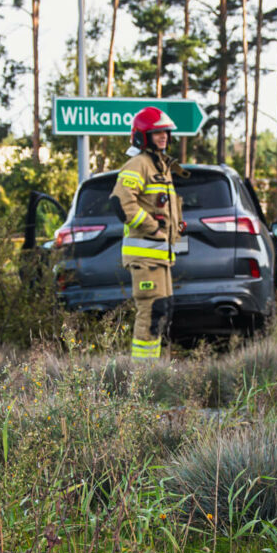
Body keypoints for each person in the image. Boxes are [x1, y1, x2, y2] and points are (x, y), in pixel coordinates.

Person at [111, 107, 184, 362]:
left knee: (163, 312)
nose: (163, 136)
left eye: (165, 132)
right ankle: (141, 378)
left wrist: (178, 235)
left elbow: (166, 208)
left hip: (161, 256)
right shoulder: (138, 164)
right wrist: (152, 227)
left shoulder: (161, 166)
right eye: (156, 133)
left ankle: (155, 373)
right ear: (143, 136)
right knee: (150, 312)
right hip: (144, 256)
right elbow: (121, 203)